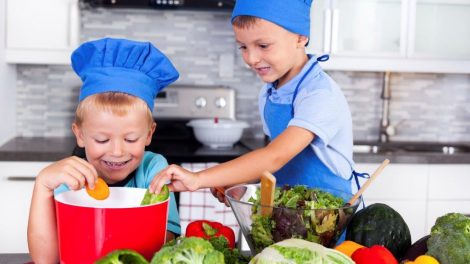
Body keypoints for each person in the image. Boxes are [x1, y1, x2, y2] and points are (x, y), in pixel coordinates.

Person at [150, 0, 363, 198]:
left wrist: (198, 179)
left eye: (263, 46)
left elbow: (275, 156)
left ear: (300, 37)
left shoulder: (319, 95)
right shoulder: (270, 93)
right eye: (243, 47)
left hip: (331, 219)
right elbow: (276, 164)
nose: (251, 59)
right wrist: (236, 181)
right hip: (290, 214)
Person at [27, 38, 181, 263]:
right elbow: (45, 259)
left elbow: (166, 243)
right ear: (79, 134)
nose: (117, 151)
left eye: (130, 139)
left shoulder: (154, 170)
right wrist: (42, 185)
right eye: (101, 139)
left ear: (149, 134)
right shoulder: (69, 177)